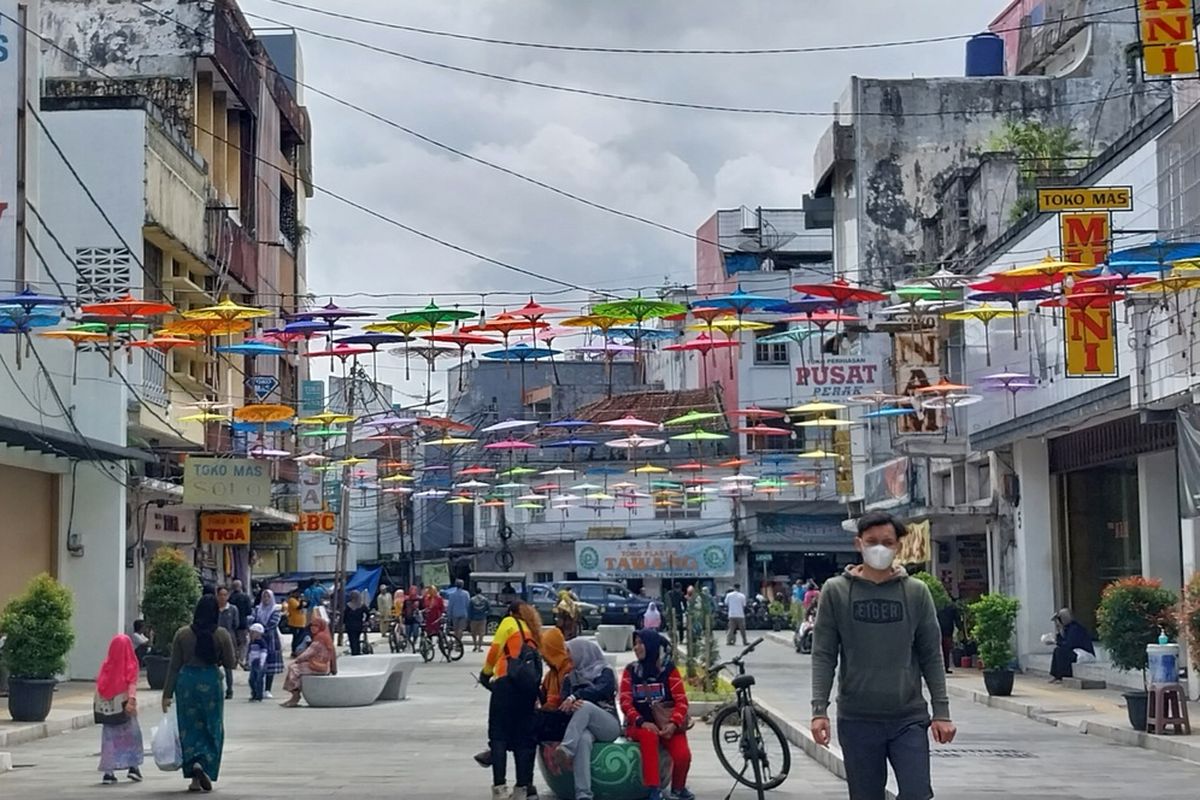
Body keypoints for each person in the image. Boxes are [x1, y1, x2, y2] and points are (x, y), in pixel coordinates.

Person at [810, 511, 956, 800]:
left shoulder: (916, 592)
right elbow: (824, 654)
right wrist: (819, 710)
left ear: (898, 546)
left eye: (887, 542)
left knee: (917, 793)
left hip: (908, 717)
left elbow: (931, 654)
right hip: (857, 717)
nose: (879, 548)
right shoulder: (836, 591)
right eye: (871, 541)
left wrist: (942, 712)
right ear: (858, 544)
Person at [162, 595, 236, 793]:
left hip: (186, 683)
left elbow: (174, 666)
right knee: (212, 726)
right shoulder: (222, 634)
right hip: (210, 682)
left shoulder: (182, 634)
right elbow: (231, 663)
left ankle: (194, 775)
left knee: (189, 728)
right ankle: (204, 765)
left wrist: (166, 694)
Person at [619, 629, 692, 800]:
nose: (636, 648)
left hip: (667, 723)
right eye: (635, 643)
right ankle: (654, 789)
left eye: (640, 643)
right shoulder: (631, 671)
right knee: (649, 737)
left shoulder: (668, 670)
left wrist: (673, 724)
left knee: (683, 755)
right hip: (638, 725)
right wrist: (641, 722)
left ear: (651, 645)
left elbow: (681, 701)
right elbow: (625, 702)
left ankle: (678, 788)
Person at [481, 602, 542, 800]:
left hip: (505, 685)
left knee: (499, 737)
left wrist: (486, 674)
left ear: (510, 612)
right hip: (527, 690)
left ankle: (500, 788)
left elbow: (495, 650)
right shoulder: (532, 631)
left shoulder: (508, 622)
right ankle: (522, 788)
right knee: (523, 740)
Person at [551, 637, 621, 800]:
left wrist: (576, 697)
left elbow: (601, 690)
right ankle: (583, 793)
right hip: (583, 728)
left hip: (607, 725)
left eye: (570, 652)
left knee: (585, 706)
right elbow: (564, 701)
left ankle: (566, 749)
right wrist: (570, 705)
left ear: (582, 652)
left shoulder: (605, 672)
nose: (568, 656)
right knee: (582, 740)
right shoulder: (570, 677)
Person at [96, 634, 143, 785]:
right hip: (124, 707)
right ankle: (133, 767)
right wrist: (131, 700)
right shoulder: (130, 663)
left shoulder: (106, 665)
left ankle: (109, 772)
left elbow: (101, 685)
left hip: (109, 711)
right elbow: (132, 683)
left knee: (109, 740)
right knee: (131, 737)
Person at [281, 615, 337, 707]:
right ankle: (295, 695)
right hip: (321, 665)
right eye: (312, 625)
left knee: (293, 668)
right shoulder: (326, 637)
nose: (313, 628)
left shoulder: (320, 639)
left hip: (317, 667)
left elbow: (308, 653)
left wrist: (297, 660)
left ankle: (295, 695)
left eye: (316, 626)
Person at [252, 589, 284, 699]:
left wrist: (260, 630)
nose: (265, 599)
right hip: (258, 639)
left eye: (268, 597)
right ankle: (256, 689)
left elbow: (273, 623)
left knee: (270, 665)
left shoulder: (276, 610)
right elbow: (253, 621)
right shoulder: (257, 609)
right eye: (264, 597)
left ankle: (267, 689)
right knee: (257, 663)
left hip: (271, 639)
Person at [1048, 608, 1095, 682]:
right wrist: (1058, 634)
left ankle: (1063, 675)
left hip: (1083, 654)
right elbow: (1062, 642)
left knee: (1061, 652)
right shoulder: (1067, 629)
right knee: (1057, 650)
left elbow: (1068, 645)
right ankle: (1056, 675)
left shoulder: (1075, 628)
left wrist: (1055, 642)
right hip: (1075, 651)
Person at [216, 587, 239, 699]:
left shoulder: (232, 609)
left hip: (228, 640)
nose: (222, 597)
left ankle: (229, 689)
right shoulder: (213, 609)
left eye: (225, 595)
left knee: (228, 666)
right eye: (220, 595)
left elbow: (236, 625)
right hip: (215, 640)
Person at [228, 580, 253, 668]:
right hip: (242, 623)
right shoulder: (245, 597)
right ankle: (241, 659)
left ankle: (234, 660)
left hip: (232, 624)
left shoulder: (230, 597)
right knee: (244, 642)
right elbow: (249, 611)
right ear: (241, 586)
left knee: (234, 642)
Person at [937, 597, 962, 674]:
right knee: (946, 651)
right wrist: (960, 628)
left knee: (937, 651)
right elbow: (957, 620)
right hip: (947, 632)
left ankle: (939, 668)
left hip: (937, 630)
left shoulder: (938, 606)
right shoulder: (953, 608)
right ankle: (946, 667)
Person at [343, 590, 369, 656]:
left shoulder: (348, 606)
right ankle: (357, 650)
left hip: (350, 626)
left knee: (352, 639)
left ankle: (354, 651)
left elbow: (344, 616)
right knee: (357, 638)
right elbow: (368, 613)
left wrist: (343, 623)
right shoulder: (361, 605)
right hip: (359, 625)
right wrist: (365, 621)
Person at [247, 623, 267, 702]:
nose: (251, 634)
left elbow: (264, 652)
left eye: (253, 633)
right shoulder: (251, 642)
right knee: (251, 679)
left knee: (259, 679)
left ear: (259, 633)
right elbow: (250, 653)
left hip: (259, 662)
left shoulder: (261, 642)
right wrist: (248, 662)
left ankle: (259, 695)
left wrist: (262, 662)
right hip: (253, 662)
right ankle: (254, 693)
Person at [285, 589, 308, 656]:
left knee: (300, 637)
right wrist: (302, 602)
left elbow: (305, 606)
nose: (298, 595)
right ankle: (294, 650)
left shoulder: (298, 600)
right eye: (297, 593)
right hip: (294, 622)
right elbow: (298, 607)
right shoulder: (292, 600)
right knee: (296, 637)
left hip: (301, 622)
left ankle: (298, 650)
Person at [469, 587, 491, 653]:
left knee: (473, 633)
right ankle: (480, 647)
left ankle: (475, 645)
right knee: (481, 633)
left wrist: (469, 618)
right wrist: (485, 614)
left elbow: (469, 609)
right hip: (482, 618)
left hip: (474, 618)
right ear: (481, 592)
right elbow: (489, 609)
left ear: (475, 592)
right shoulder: (485, 599)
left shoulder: (472, 600)